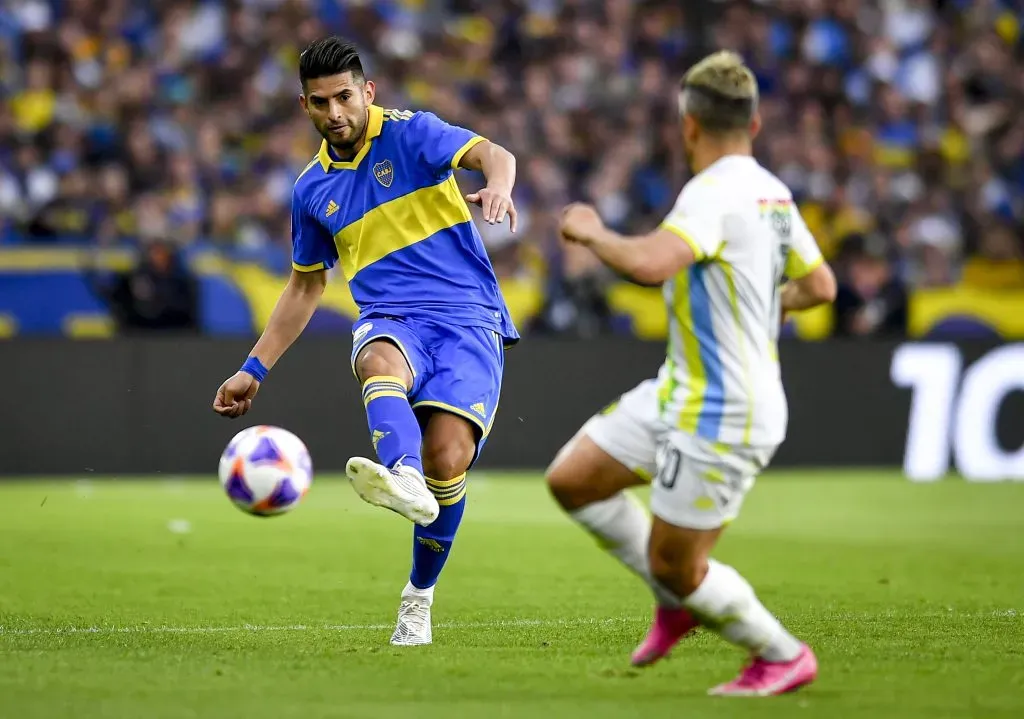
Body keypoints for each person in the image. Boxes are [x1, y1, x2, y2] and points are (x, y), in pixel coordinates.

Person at [211, 36, 519, 646]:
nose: (336, 113)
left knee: (449, 460)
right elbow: (304, 290)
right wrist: (254, 368)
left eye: (345, 97)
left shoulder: (412, 134)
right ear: (305, 107)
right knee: (378, 360)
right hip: (390, 314)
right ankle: (400, 472)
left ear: (367, 92)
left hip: (467, 318)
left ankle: (418, 596)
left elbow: (494, 154)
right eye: (321, 102)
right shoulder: (310, 191)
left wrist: (501, 186)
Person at [552, 50, 836, 696]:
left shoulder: (713, 194)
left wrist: (593, 233)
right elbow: (820, 284)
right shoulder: (772, 191)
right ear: (755, 125)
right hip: (681, 387)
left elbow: (652, 264)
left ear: (688, 127)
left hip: (726, 409)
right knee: (573, 480)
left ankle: (781, 653)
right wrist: (771, 305)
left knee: (677, 562)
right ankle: (677, 602)